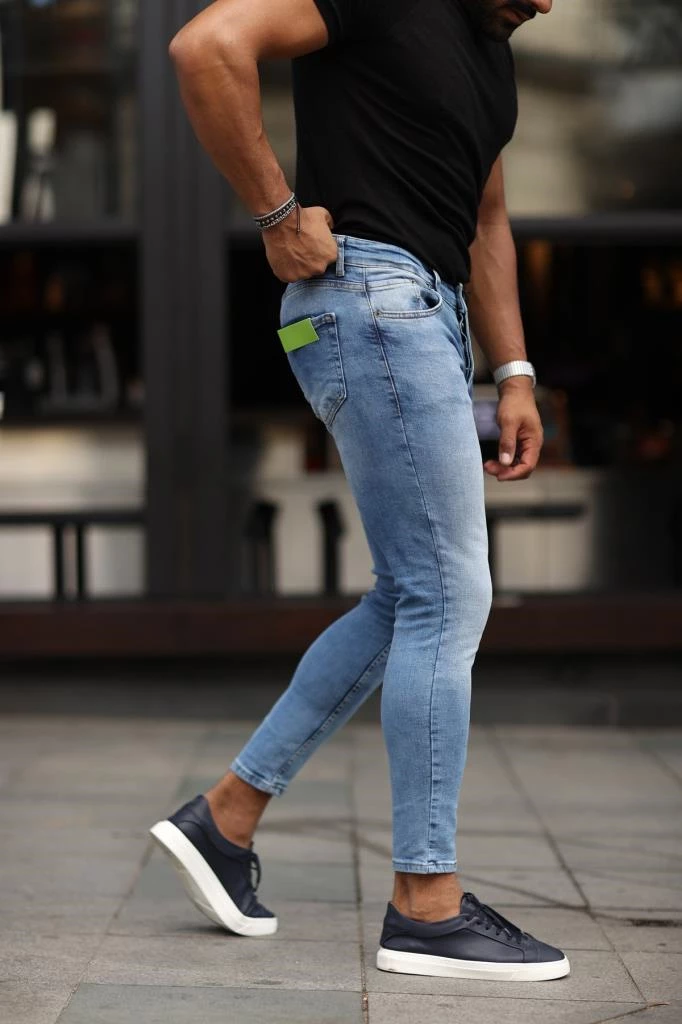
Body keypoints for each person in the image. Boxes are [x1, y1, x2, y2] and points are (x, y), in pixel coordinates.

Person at [150, 0, 571, 982]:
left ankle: (225, 819)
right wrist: (276, 216)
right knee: (447, 593)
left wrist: (513, 373)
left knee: (410, 595)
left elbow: (485, 218)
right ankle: (426, 903)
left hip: (420, 313)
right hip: (371, 297)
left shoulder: (490, 61)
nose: (550, 2)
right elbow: (206, 47)